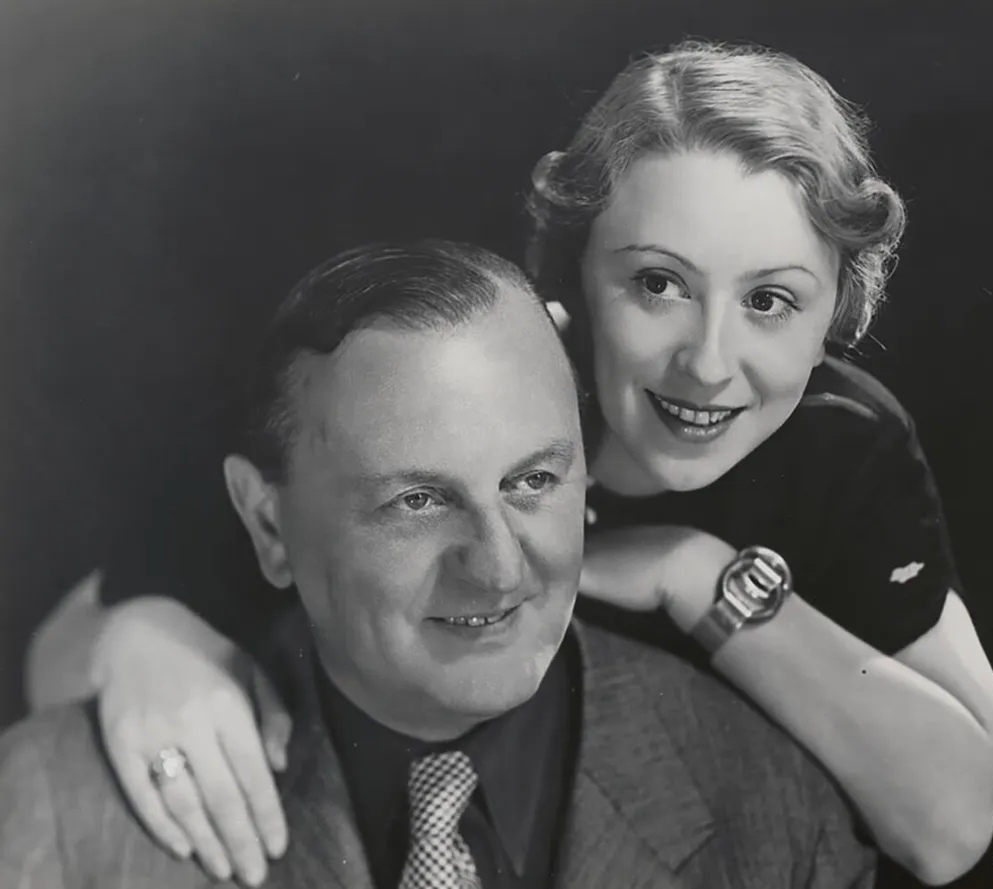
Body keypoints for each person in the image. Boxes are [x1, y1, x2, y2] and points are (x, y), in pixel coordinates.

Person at [26, 41, 993, 887]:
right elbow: (65, 657)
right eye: (658, 283)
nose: (709, 364)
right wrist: (148, 641)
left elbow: (951, 825)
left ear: (839, 308)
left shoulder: (847, 437)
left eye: (770, 300)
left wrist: (696, 574)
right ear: (569, 274)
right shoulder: (458, 381)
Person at [1, 240, 878, 889]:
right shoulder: (53, 812)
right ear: (267, 524)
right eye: (418, 501)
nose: (498, 569)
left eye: (533, 481)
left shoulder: (776, 808)